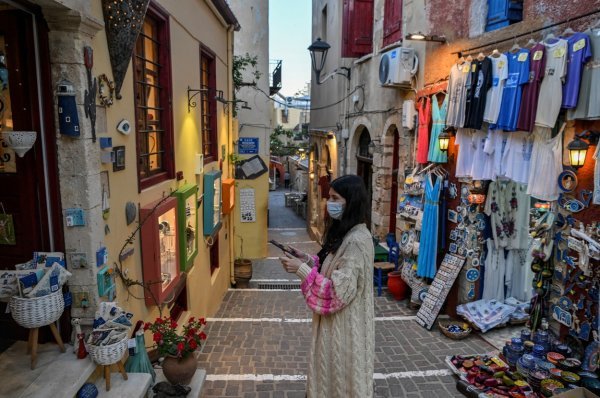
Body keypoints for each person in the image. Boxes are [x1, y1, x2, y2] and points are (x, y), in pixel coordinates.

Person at [279, 175, 375, 398]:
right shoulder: (347, 233)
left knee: (341, 386)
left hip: (345, 334)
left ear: (350, 201)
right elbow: (332, 267)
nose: (328, 202)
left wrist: (301, 271)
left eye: (335, 198)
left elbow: (337, 291)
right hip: (334, 332)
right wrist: (306, 260)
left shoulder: (357, 241)